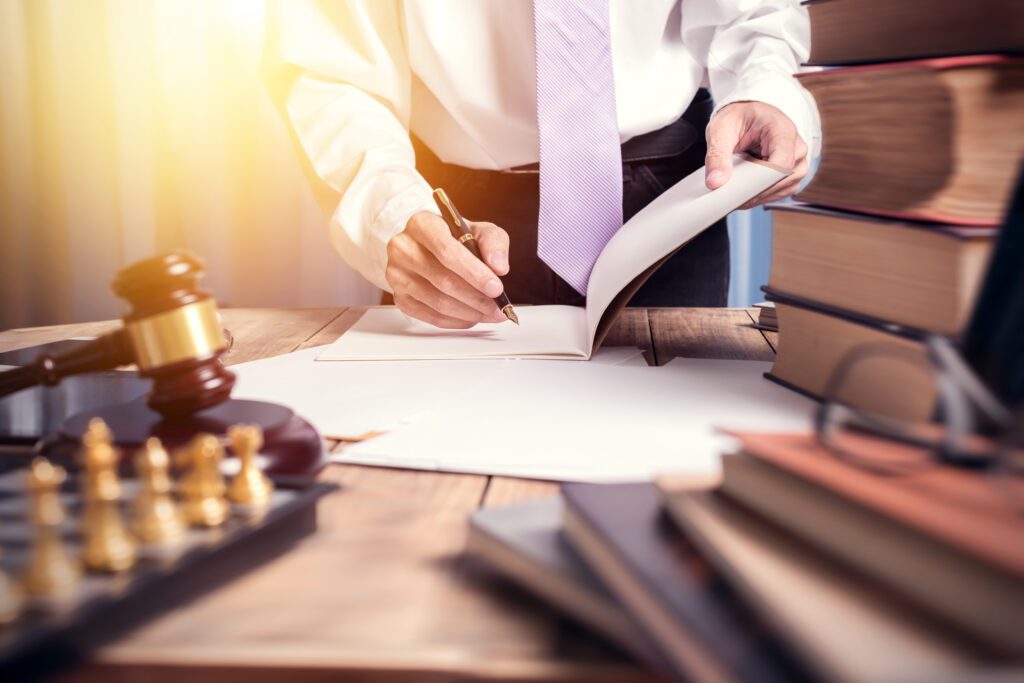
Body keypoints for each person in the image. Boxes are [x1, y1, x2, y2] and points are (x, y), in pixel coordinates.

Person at [271, 1, 819, 328]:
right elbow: (331, 66)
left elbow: (753, 14)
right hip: (456, 227)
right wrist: (387, 212)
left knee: (667, 460)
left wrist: (766, 92)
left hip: (670, 204)